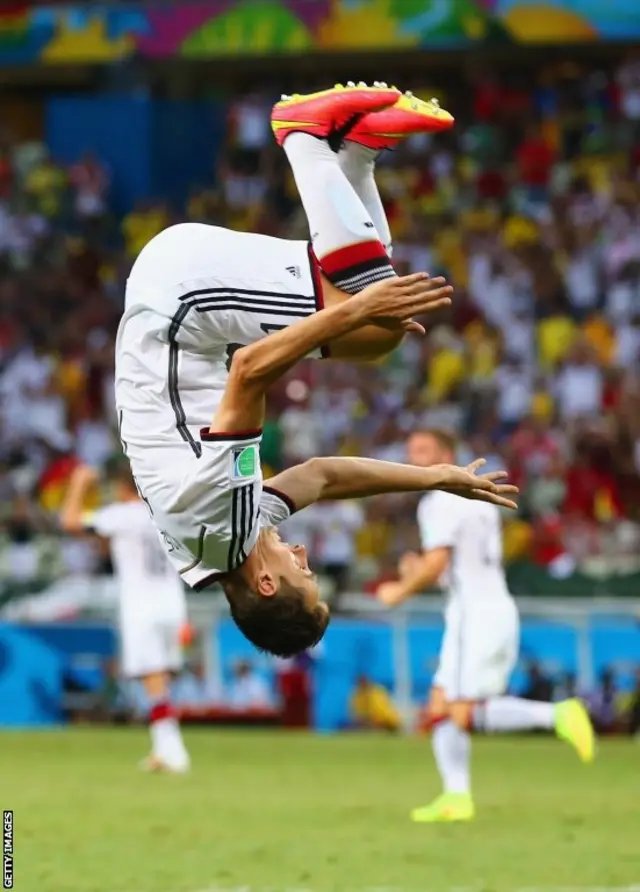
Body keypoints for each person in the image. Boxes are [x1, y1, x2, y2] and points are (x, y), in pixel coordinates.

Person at [115, 83, 517, 659]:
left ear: (268, 583)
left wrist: (357, 308)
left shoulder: (222, 521)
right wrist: (435, 477)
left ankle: (304, 138)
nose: (305, 558)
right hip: (181, 306)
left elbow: (250, 372)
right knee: (376, 337)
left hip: (181, 299)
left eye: (303, 574)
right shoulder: (226, 542)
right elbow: (324, 476)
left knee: (372, 310)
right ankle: (358, 153)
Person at [377, 429, 596, 823]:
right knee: (441, 704)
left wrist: (400, 590)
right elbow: (456, 563)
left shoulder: (438, 498)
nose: (414, 459)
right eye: (410, 452)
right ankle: (455, 797)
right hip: (486, 605)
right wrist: (422, 572)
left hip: (474, 614)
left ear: (446, 453)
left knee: (461, 711)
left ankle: (558, 715)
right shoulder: (475, 495)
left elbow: (439, 563)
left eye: (424, 451)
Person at [60, 461, 190, 773]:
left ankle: (173, 750)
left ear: (122, 488)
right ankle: (164, 747)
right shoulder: (165, 512)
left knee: (152, 676)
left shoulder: (121, 515)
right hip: (172, 602)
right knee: (159, 677)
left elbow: (70, 522)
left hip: (142, 605)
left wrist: (78, 483)